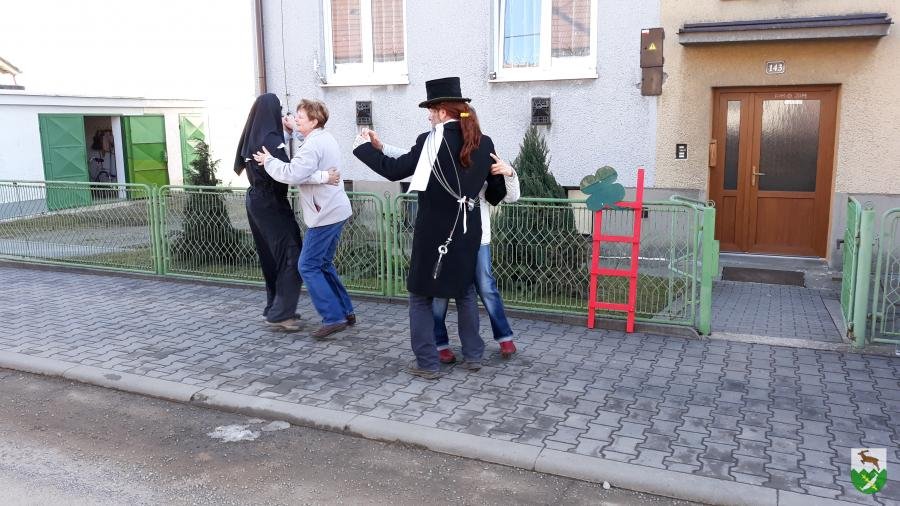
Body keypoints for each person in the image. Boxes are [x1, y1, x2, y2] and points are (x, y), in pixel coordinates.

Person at [353, 76, 506, 379]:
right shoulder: (483, 141)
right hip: (468, 229)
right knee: (465, 292)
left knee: (421, 295)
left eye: (430, 111)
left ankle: (427, 362)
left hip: (434, 230)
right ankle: (473, 356)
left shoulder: (430, 141)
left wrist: (364, 148)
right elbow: (495, 193)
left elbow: (395, 170)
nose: (428, 116)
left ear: (441, 111)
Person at [253, 99, 355, 340]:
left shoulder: (312, 146)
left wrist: (269, 161)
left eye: (300, 117)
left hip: (325, 214)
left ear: (314, 121)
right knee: (324, 264)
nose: (295, 119)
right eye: (295, 115)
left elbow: (293, 174)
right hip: (335, 209)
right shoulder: (322, 137)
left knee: (307, 265)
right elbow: (307, 165)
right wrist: (295, 132)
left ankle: (333, 318)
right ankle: (346, 311)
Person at [234, 93, 304, 331]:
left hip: (255, 200)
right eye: (279, 109)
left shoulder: (254, 135)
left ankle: (274, 307)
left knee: (271, 257)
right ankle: (281, 314)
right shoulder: (271, 139)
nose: (281, 113)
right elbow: (289, 170)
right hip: (271, 203)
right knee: (291, 254)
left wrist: (287, 134)